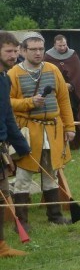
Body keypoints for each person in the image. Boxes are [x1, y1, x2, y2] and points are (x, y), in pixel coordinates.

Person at [8, 32, 75, 229]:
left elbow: (63, 99)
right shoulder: (14, 73)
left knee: (51, 172)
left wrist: (70, 127)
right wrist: (29, 102)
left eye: (40, 49)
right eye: (33, 49)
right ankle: (22, 222)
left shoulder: (53, 69)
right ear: (23, 50)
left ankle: (55, 216)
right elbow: (7, 102)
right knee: (24, 175)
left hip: (53, 130)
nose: (38, 53)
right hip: (29, 131)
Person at [0, 32, 31, 257]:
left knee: (2, 193)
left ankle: (1, 247)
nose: (14, 55)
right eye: (8, 51)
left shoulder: (5, 79)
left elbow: (8, 115)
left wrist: (21, 146)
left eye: (15, 51)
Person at [43, 34, 80, 150]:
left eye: (64, 45)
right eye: (60, 45)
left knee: (72, 112)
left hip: (72, 93)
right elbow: (47, 75)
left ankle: (74, 142)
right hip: (55, 94)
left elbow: (78, 74)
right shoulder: (48, 57)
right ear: (54, 45)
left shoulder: (73, 55)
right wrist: (60, 85)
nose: (62, 48)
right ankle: (57, 141)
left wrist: (71, 85)